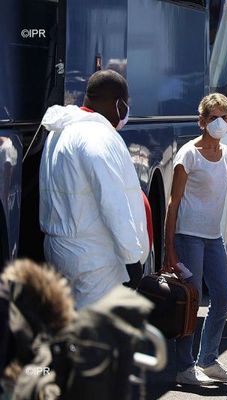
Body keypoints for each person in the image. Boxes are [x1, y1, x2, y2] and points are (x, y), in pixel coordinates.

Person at [39, 69, 149, 309]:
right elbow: (112, 202)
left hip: (62, 251)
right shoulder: (98, 137)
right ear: (118, 104)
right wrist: (132, 259)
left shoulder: (60, 132)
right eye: (125, 104)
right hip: (94, 261)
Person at [163, 93, 227, 385]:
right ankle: (185, 367)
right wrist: (169, 249)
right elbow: (173, 203)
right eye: (213, 117)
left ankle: (207, 360)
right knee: (191, 301)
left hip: (213, 237)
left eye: (224, 117)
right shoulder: (189, 155)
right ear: (202, 121)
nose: (219, 122)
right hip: (188, 237)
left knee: (224, 297)